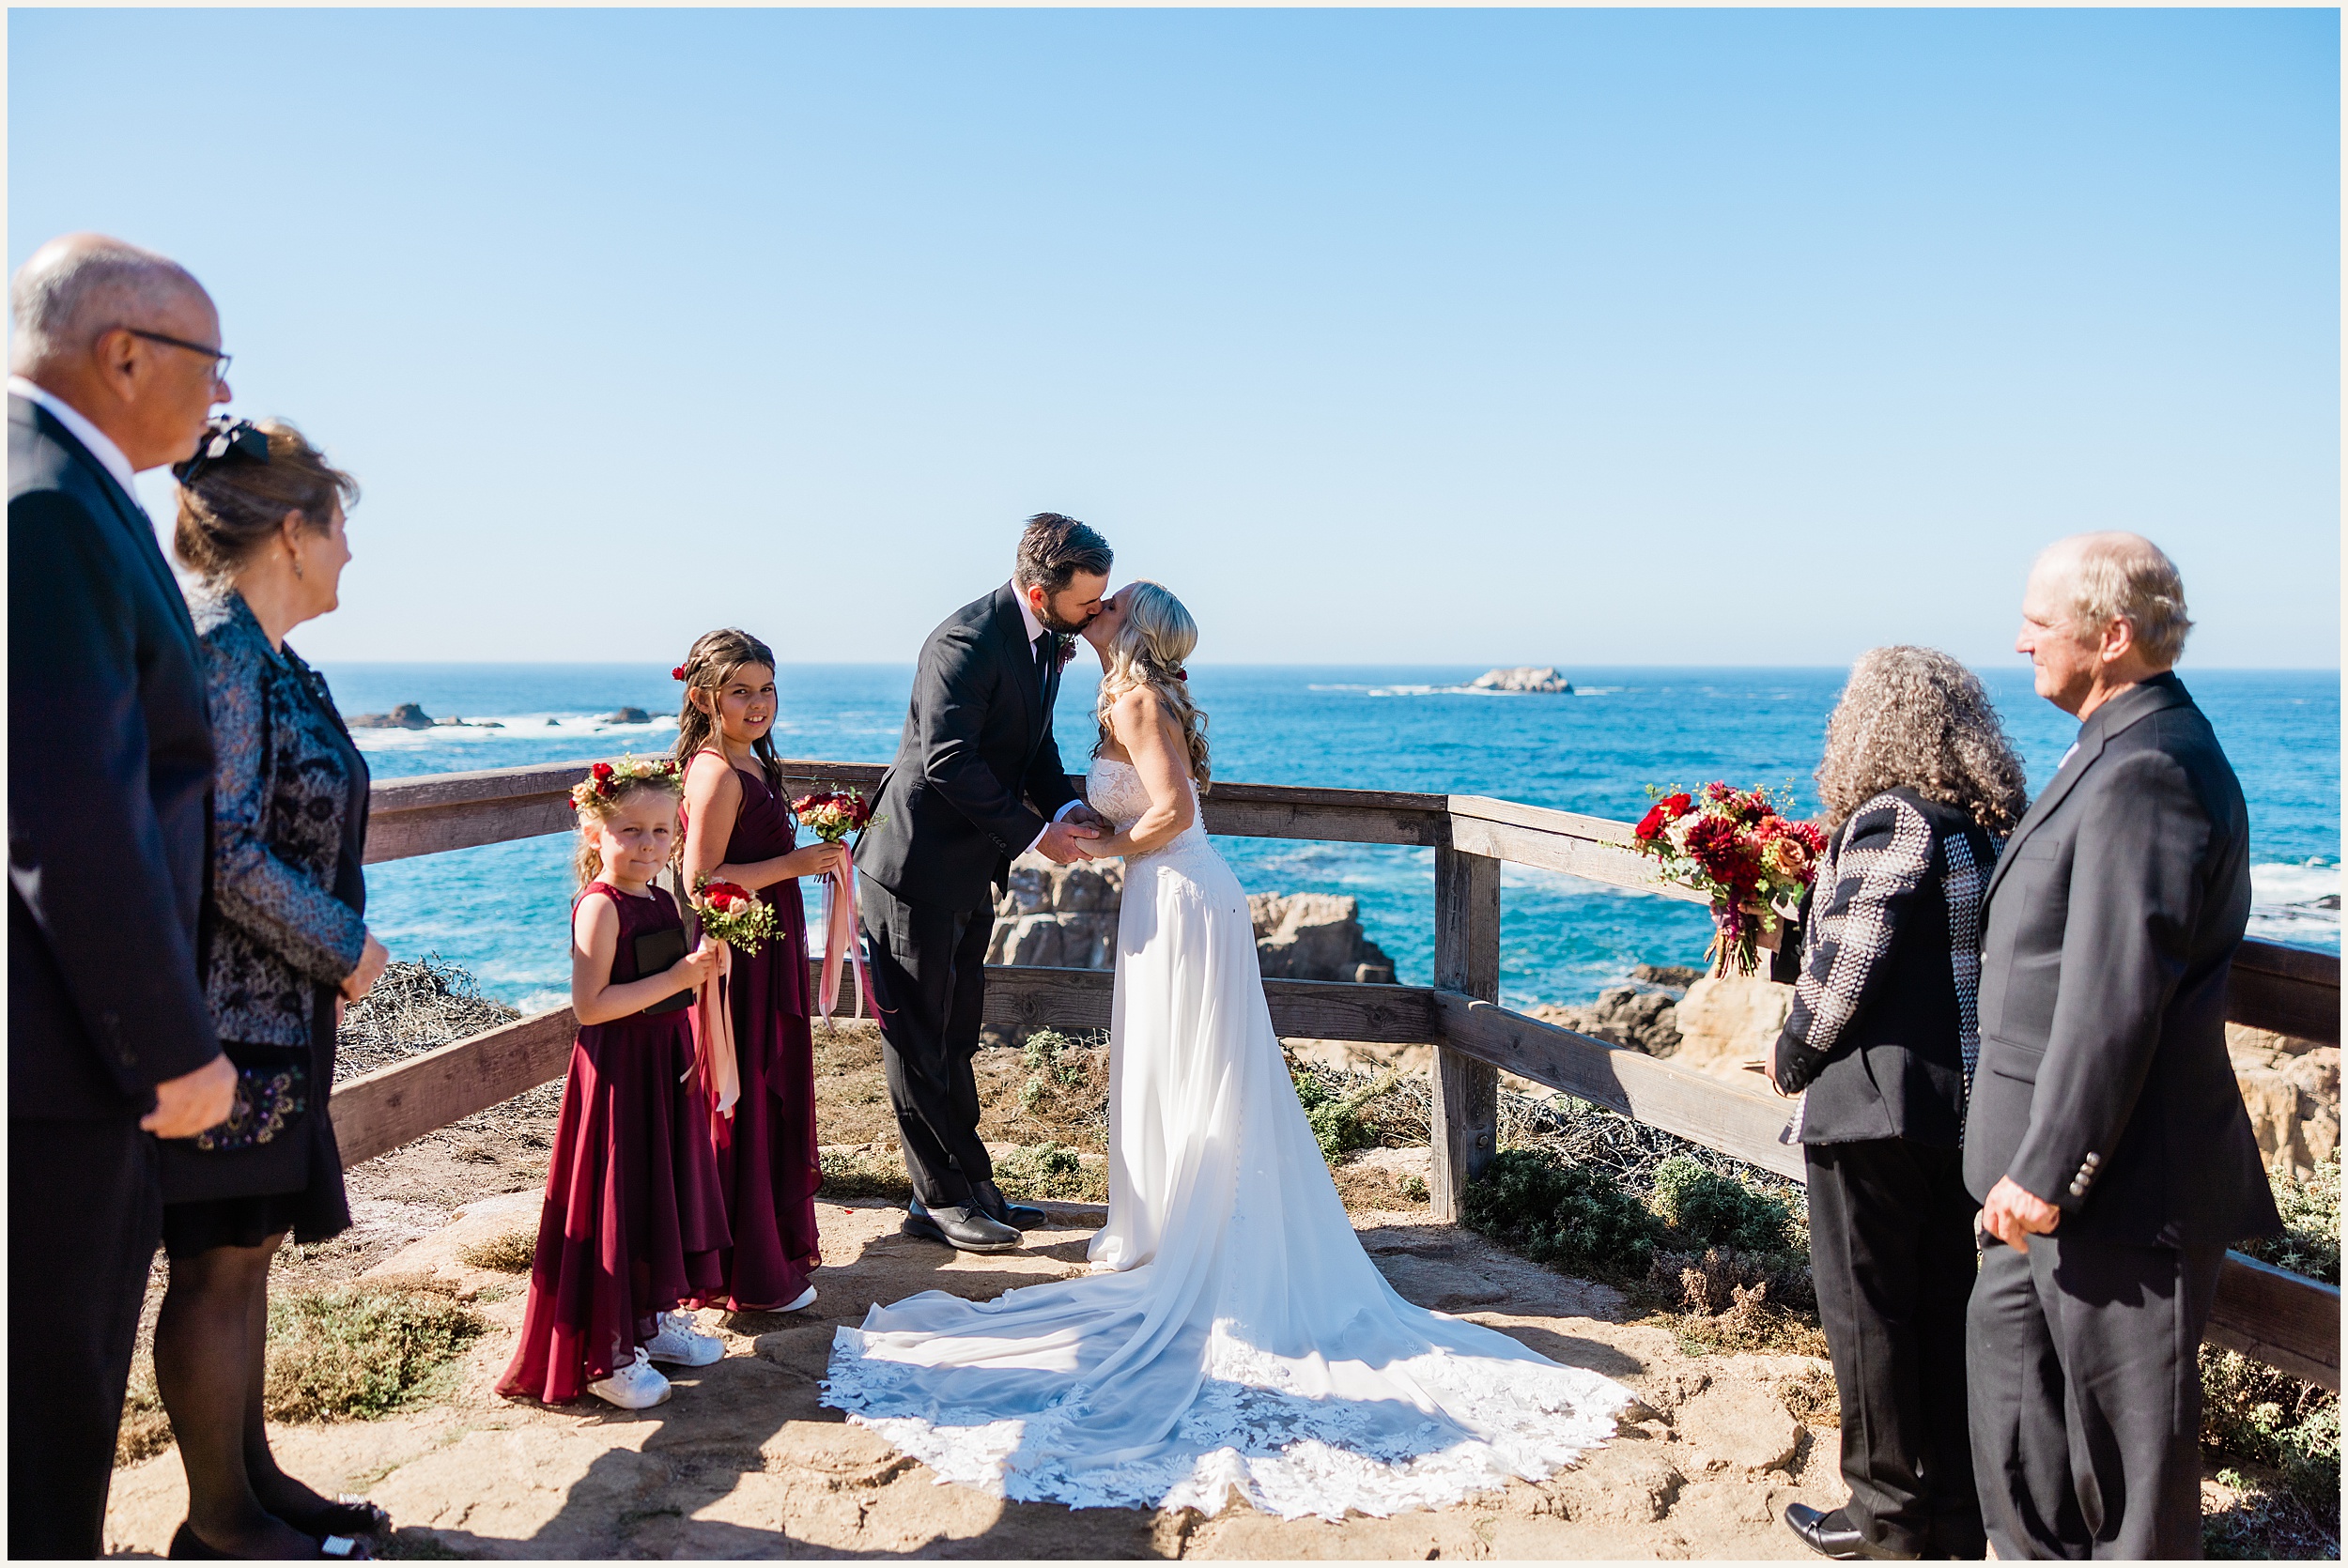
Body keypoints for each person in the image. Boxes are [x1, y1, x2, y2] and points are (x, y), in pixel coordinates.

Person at [824, 582, 1633, 1516]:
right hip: (1162, 896)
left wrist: (1096, 846)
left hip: (1176, 892)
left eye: (1114, 599)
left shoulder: (1137, 699)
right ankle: (1179, 1222)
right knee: (1181, 1072)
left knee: (1196, 1073)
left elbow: (1167, 812)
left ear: (1131, 627)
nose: (1100, 600)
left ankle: (1201, 1239)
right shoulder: (1122, 693)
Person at [1965, 533, 2279, 1560]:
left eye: (2037, 622)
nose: (2019, 641)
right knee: (2021, 1438)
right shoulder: (2114, 740)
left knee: (2128, 1483)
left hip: (2111, 1186)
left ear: (2111, 635)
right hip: (2035, 1190)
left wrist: (2049, 1166)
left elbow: (2115, 993)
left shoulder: (2150, 766)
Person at [8, 233, 239, 1558]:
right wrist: (168, 1047)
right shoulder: (41, 501)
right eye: (212, 365)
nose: (219, 399)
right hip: (59, 1064)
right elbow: (67, 807)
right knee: (47, 1416)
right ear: (124, 352)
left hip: (61, 1053)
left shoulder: (71, 494)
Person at [156, 417, 393, 1559]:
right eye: (340, 526)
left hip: (272, 1012)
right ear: (293, 531)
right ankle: (217, 1521)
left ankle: (249, 1479)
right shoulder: (221, 652)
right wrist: (344, 945)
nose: (351, 551)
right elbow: (225, 848)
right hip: (223, 1015)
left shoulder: (272, 653)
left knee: (243, 1250)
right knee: (214, 1258)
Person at [1768, 647, 2029, 1563]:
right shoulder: (1978, 827)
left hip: (1870, 1105)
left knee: (1866, 1319)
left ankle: (1882, 1520)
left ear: (1869, 723)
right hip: (1952, 1107)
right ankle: (1952, 1515)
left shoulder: (1891, 819)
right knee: (1937, 1311)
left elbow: (1852, 958)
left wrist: (1791, 1048)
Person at [853, 513, 1110, 1253]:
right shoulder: (963, 642)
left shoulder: (1040, 646)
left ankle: (970, 1185)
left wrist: (1064, 803)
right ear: (1039, 592)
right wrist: (1035, 835)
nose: (1094, 613)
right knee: (916, 1036)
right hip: (914, 868)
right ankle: (938, 1200)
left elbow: (1031, 746)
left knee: (956, 1031)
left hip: (969, 868)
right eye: (1084, 603)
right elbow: (947, 761)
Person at [498, 761, 731, 1411]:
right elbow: (590, 1006)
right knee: (616, 1201)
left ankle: (649, 1325)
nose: (650, 845)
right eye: (631, 831)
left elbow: (671, 983)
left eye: (662, 831)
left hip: (661, 1064)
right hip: (617, 1075)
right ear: (593, 830)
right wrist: (679, 978)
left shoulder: (659, 896)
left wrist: (704, 971)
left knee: (657, 1193)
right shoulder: (600, 908)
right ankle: (607, 1354)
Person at [674, 629, 842, 1315]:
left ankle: (762, 1248)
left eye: (766, 689)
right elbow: (699, 880)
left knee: (765, 1089)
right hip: (738, 957)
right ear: (703, 697)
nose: (757, 704)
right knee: (742, 1094)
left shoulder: (747, 762)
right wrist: (794, 864)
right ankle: (744, 1272)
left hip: (766, 943)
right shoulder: (715, 770)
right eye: (740, 691)